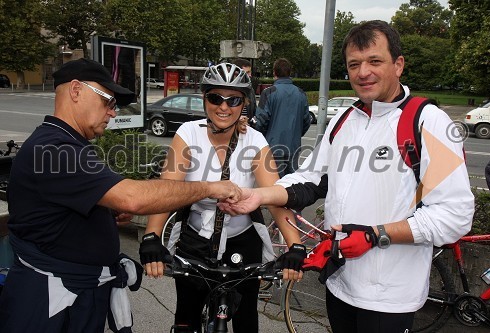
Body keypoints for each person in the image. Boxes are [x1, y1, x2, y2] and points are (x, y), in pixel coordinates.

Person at [219, 20, 474, 333]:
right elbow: (310, 180)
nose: (363, 72)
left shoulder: (430, 122)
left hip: (389, 298)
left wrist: (374, 234)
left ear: (398, 64)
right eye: (354, 64)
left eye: (374, 61)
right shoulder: (344, 119)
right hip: (339, 284)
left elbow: (455, 216)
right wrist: (258, 195)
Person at [0, 58, 241, 333]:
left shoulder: (68, 144)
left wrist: (105, 213)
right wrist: (209, 188)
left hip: (76, 294)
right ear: (76, 91)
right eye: (108, 102)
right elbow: (133, 198)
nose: (113, 112)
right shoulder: (55, 150)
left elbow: (64, 202)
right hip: (48, 303)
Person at [140, 62, 306, 333]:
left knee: (246, 323)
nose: (223, 107)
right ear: (204, 99)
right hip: (194, 240)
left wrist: (295, 245)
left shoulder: (254, 141)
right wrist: (152, 237)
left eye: (234, 100)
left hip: (243, 241)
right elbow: (166, 191)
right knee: (186, 320)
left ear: (245, 104)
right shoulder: (189, 133)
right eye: (215, 98)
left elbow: (276, 197)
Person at [253, 58, 310, 177]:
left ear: (274, 72)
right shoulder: (301, 93)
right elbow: (306, 120)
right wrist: (296, 134)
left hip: (273, 146)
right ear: (290, 72)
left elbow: (261, 121)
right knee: (291, 184)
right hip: (293, 146)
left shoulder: (269, 92)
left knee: (274, 184)